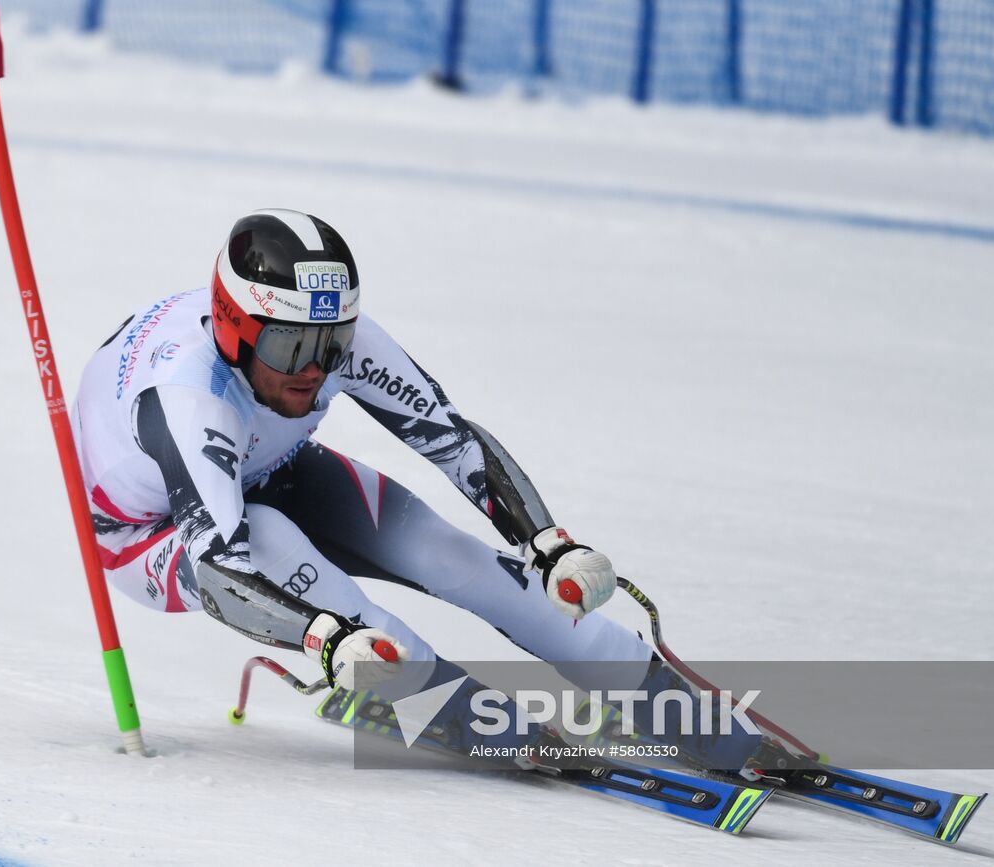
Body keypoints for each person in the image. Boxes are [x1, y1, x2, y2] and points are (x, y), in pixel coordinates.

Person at [71, 209, 760, 769]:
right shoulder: (189, 401)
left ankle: (658, 694)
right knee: (269, 539)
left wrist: (546, 543)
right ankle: (451, 705)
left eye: (332, 342)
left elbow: (453, 438)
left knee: (445, 553)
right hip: (149, 536)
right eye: (291, 349)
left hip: (261, 465)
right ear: (234, 330)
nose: (314, 370)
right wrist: (325, 638)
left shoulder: (316, 336)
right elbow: (218, 566)